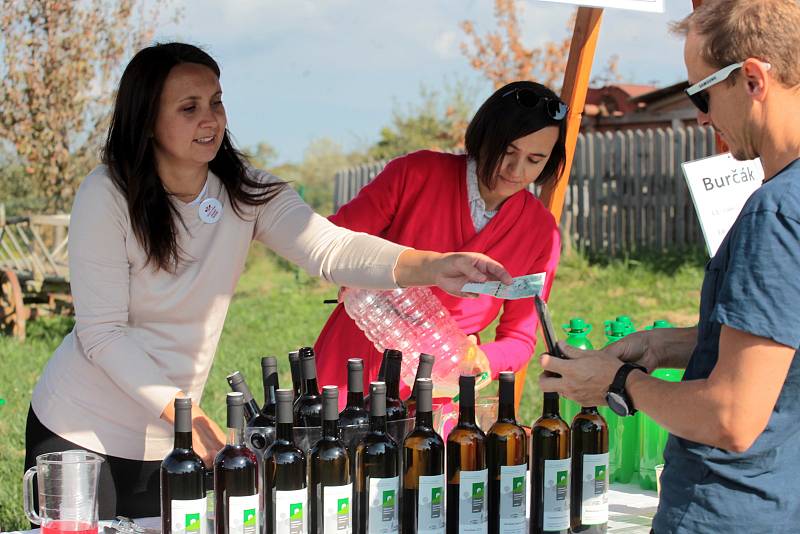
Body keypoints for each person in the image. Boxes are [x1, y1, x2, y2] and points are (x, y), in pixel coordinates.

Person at [24, 42, 512, 518]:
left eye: (216, 102)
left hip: (174, 436)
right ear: (147, 120)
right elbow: (102, 332)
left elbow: (332, 247)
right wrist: (186, 416)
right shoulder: (107, 193)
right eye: (189, 107)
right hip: (82, 429)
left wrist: (430, 265)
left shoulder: (248, 192)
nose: (210, 119)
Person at [539, 1, 800, 532]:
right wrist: (664, 346)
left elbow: (730, 416)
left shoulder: (775, 210)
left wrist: (620, 382)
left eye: (701, 93)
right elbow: (781, 342)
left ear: (752, 80)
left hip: (727, 507)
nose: (701, 115)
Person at [314, 81, 565, 396]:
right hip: (355, 360)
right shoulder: (415, 173)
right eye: (508, 152)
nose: (516, 170)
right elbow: (332, 243)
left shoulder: (541, 231)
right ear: (484, 135)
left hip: (441, 383)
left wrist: (483, 358)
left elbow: (520, 337)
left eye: (535, 159)